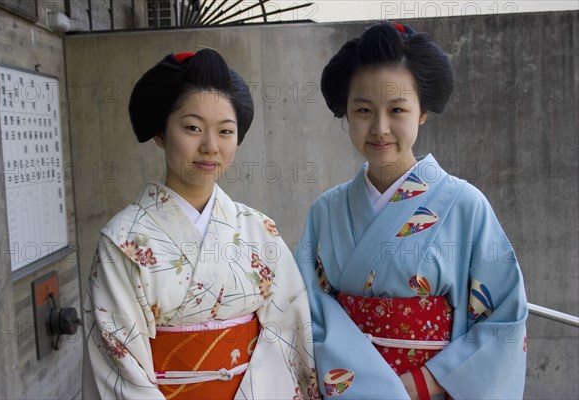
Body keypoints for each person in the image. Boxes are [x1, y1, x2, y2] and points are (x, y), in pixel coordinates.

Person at [296, 22, 527, 399]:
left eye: (397, 109)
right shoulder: (326, 211)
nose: (380, 127)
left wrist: (421, 383)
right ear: (347, 114)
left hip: (432, 390)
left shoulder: (465, 205)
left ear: (422, 112)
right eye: (364, 110)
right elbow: (309, 314)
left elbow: (504, 317)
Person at [83, 49, 318, 400]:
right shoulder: (122, 242)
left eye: (225, 131)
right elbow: (119, 362)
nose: (210, 146)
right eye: (192, 128)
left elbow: (291, 331)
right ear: (161, 133)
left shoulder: (259, 229)